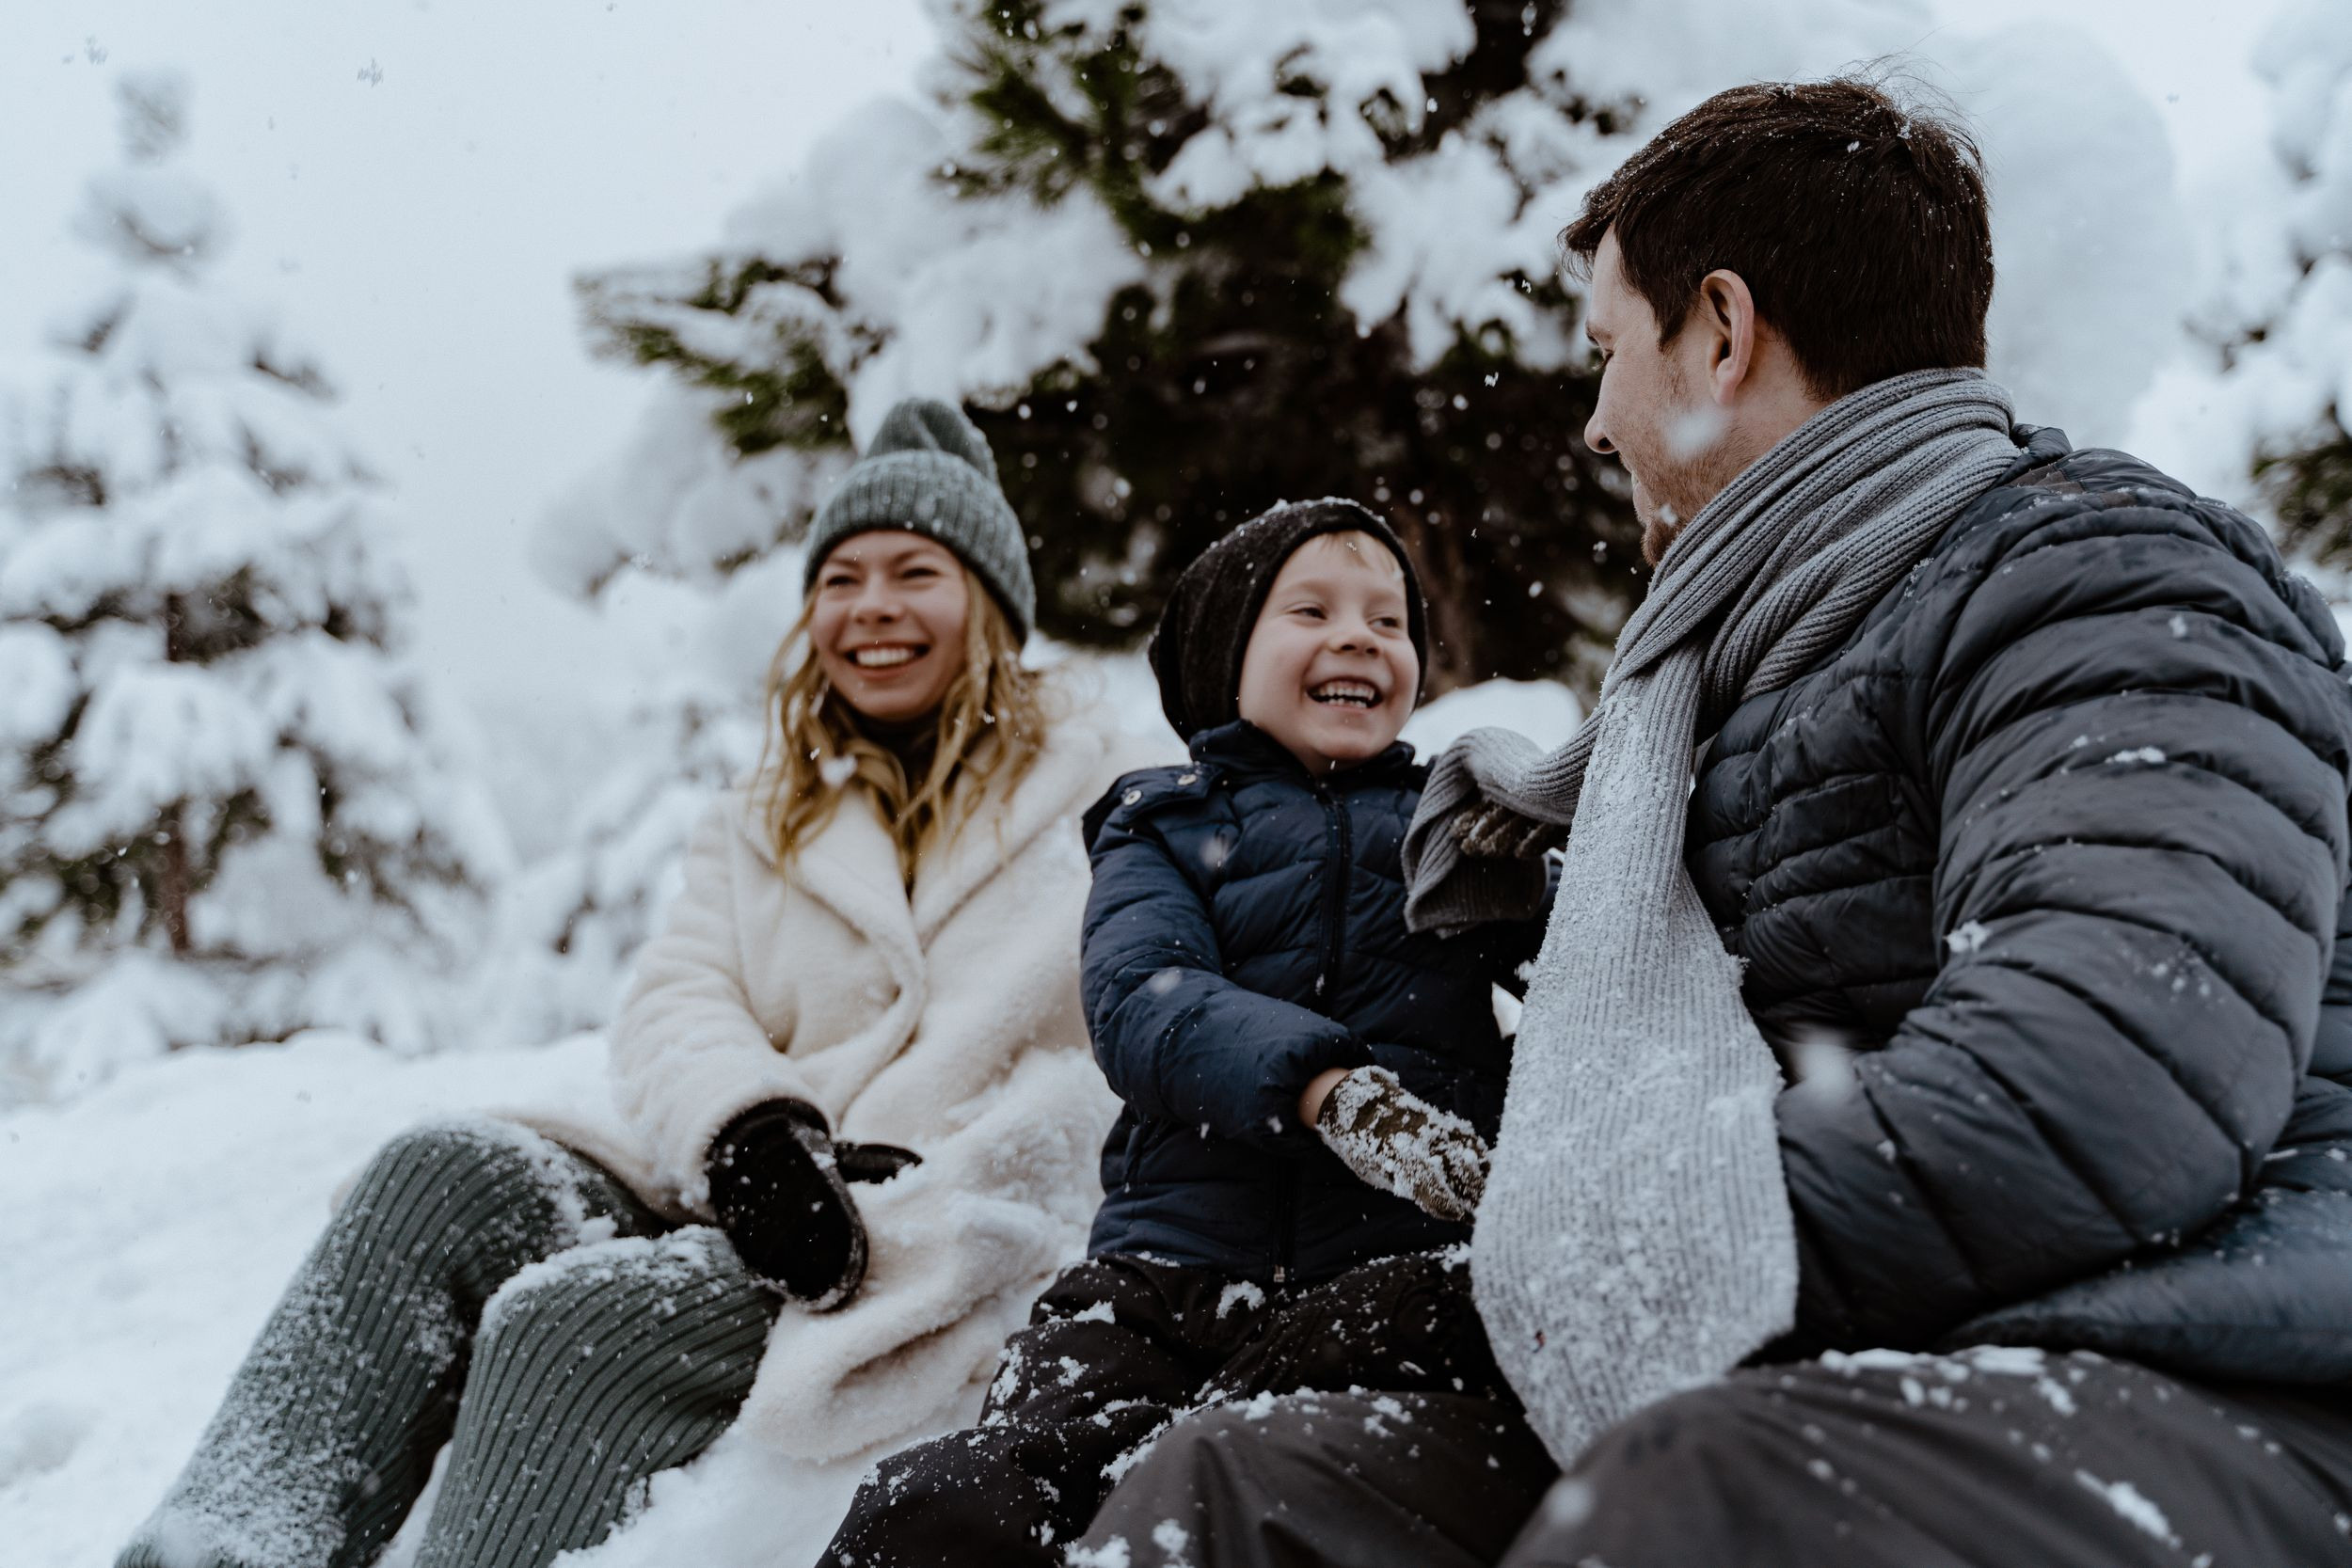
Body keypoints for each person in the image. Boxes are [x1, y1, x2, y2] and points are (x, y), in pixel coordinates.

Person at [1072, 79, 2352, 1568]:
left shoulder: (2098, 578)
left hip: (2201, 1364)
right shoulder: (1736, 678)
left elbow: (2094, 1085)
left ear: (1723, 332)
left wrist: (1562, 1269)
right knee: (1237, 1489)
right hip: (1836, 1351)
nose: (1600, 415)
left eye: (1611, 351)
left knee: (1706, 1497)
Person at [116, 399, 1162, 1568]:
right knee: (435, 1177)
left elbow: (1125, 1051)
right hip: (760, 1196)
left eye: (915, 570)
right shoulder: (768, 814)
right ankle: (218, 1548)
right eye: (841, 578)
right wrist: (753, 1128)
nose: (871, 606)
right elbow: (680, 997)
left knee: (573, 1328)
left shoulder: (1108, 792)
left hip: (944, 1228)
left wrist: (947, 1173)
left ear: (991, 604)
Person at [817, 500, 1554, 1566]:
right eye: (1311, 609)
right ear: (1224, 659)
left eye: (1388, 622)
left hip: (1391, 1268)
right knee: (968, 1487)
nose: (1359, 636)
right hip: (1167, 1275)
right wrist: (1332, 1090)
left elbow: (1594, 978)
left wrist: (1536, 866)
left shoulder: (1448, 836)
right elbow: (1141, 994)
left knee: (1250, 1441)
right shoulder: (1162, 824)